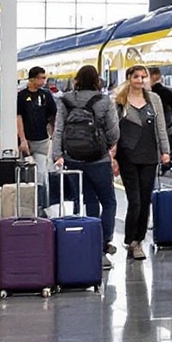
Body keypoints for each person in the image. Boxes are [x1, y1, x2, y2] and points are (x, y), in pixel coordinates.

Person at [111, 64, 172, 259]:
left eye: (143, 77)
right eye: (136, 77)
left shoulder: (153, 99)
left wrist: (165, 151)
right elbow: (113, 130)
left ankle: (139, 239)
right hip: (127, 155)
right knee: (135, 201)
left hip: (149, 155)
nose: (140, 80)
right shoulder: (119, 101)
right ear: (129, 78)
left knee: (146, 201)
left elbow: (160, 126)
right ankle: (131, 240)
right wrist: (112, 156)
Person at [55, 65, 118, 243]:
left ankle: (93, 239)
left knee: (90, 199)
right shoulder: (104, 101)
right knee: (108, 201)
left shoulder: (65, 100)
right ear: (96, 81)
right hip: (98, 159)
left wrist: (57, 155)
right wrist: (109, 145)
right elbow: (114, 131)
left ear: (77, 80)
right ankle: (105, 240)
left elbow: (59, 129)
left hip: (73, 158)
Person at [16, 67, 54, 168]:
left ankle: (40, 184)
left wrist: (53, 135)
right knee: (25, 170)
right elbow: (18, 117)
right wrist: (22, 139)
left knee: (41, 170)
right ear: (32, 79)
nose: (43, 81)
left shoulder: (46, 95)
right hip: (26, 140)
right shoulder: (21, 96)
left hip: (42, 140)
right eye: (41, 78)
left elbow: (52, 116)